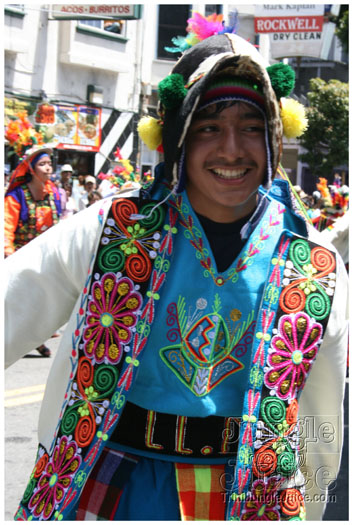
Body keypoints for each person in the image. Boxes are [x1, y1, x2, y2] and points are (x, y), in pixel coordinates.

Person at [5, 23, 348, 522]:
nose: (232, 149)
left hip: (251, 502)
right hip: (113, 489)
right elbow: (12, 304)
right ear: (176, 139)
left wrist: (310, 511)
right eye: (208, 126)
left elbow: (322, 422)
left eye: (251, 126)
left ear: (275, 136)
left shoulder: (313, 265)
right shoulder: (114, 230)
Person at [4, 145, 62, 358]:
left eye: (49, 163)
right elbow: (7, 225)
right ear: (31, 168)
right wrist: (8, 253)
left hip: (44, 255)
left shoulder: (53, 192)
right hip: (19, 255)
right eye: (42, 164)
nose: (48, 168)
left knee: (44, 299)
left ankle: (36, 337)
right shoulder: (17, 195)